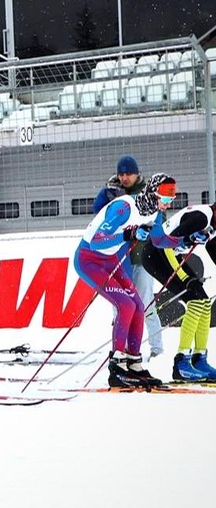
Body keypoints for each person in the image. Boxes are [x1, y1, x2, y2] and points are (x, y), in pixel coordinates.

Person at [75, 173, 179, 389]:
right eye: (166, 197)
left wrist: (186, 239)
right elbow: (96, 242)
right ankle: (117, 365)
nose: (169, 202)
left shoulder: (153, 212)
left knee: (138, 306)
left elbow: (159, 239)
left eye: (172, 197)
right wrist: (128, 235)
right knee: (125, 304)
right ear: (152, 193)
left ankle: (134, 363)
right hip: (89, 259)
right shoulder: (123, 208)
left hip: (110, 258)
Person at [93, 155, 164, 359]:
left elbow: (159, 219)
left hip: (141, 257)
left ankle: (157, 349)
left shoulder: (147, 193)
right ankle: (120, 348)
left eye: (128, 174)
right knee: (120, 304)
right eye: (121, 174)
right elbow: (99, 216)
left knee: (145, 303)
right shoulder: (112, 192)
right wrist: (108, 198)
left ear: (137, 174)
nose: (124, 178)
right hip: (119, 258)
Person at [140, 202, 216, 381]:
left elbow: (213, 249)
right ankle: (181, 363)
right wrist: (183, 277)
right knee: (196, 301)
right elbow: (167, 244)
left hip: (171, 256)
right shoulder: (201, 217)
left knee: (204, 302)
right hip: (155, 254)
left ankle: (199, 360)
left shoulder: (212, 222)